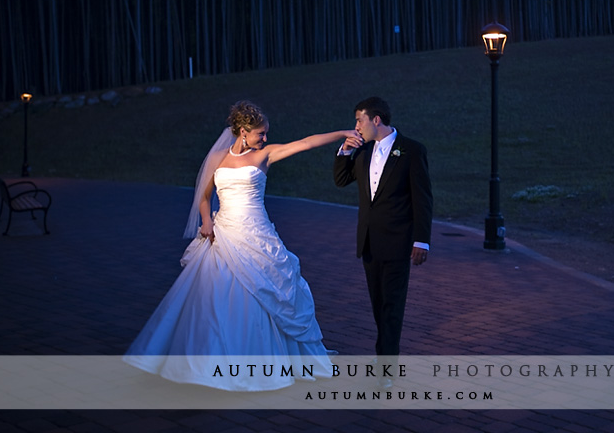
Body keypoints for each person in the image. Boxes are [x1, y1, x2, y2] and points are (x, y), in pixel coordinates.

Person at [124, 101, 358, 391]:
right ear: (244, 131)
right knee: (216, 297)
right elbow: (205, 195)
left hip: (257, 234)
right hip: (224, 233)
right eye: (261, 133)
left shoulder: (265, 155)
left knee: (268, 292)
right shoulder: (217, 157)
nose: (265, 138)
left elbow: (306, 143)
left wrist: (341, 133)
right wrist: (206, 219)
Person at [333, 97, 432, 388]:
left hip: (399, 242)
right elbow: (341, 180)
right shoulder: (362, 151)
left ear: (376, 120)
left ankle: (386, 368)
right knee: (379, 306)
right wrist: (343, 151)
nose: (356, 127)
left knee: (392, 306)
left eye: (359, 120)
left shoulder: (412, 151)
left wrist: (422, 241)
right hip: (369, 242)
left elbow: (422, 199)